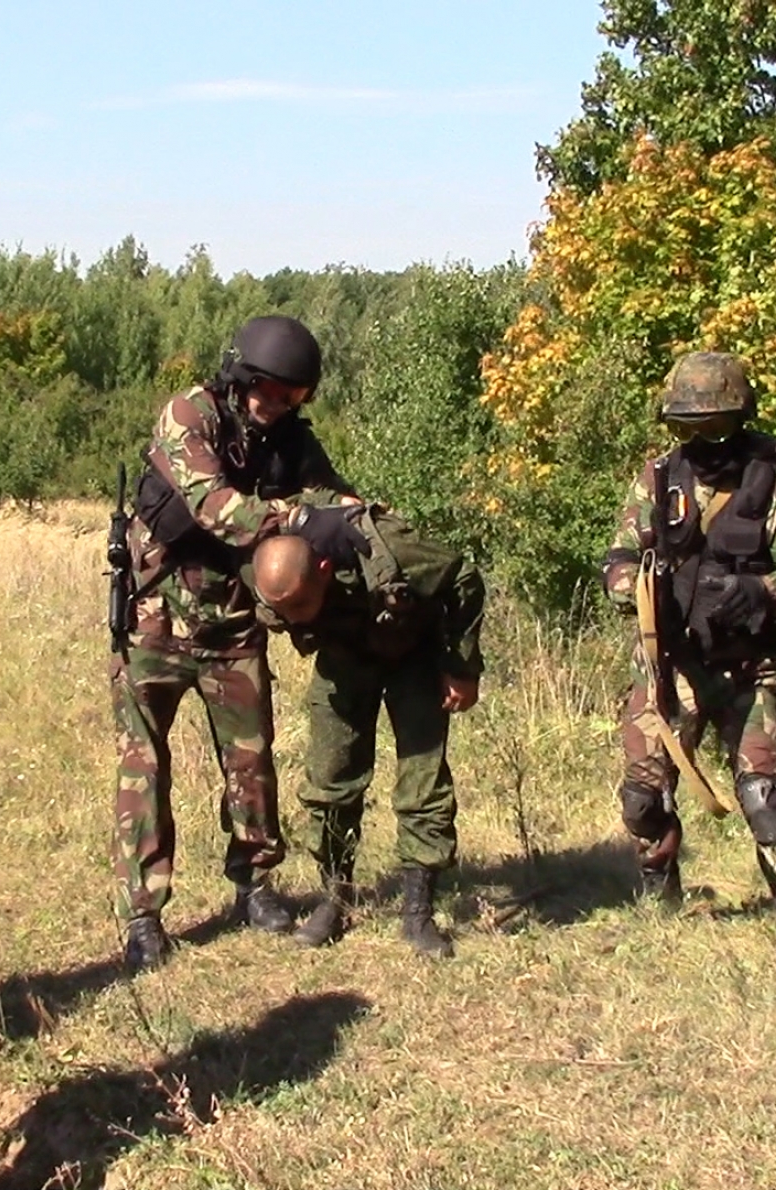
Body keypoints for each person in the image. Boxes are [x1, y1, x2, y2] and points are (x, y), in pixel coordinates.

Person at [114, 314, 368, 973]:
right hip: (154, 621)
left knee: (251, 760)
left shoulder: (287, 440)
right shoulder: (187, 415)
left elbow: (335, 498)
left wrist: (356, 520)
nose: (278, 406)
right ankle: (144, 914)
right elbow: (217, 508)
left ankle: (252, 884)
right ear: (243, 377)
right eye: (271, 391)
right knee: (144, 767)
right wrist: (302, 518)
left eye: (294, 397)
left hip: (231, 623)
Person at [601, 351, 776, 994]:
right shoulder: (657, 480)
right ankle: (659, 890)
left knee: (763, 801)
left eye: (716, 429)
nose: (701, 443)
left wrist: (764, 594)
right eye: (688, 429)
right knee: (642, 798)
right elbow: (617, 557)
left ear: (742, 418)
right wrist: (639, 584)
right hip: (670, 667)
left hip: (748, 669)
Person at [250, 507, 484, 957]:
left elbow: (464, 576)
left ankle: (418, 912)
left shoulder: (393, 552)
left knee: (423, 781)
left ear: (323, 570)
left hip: (414, 653)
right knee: (329, 780)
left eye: (300, 604)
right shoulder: (275, 574)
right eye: (284, 610)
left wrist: (462, 667)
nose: (294, 618)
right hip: (345, 660)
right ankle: (334, 899)